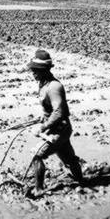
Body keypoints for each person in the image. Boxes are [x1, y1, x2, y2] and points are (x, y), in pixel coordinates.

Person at [27, 49, 84, 198]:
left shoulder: (54, 87)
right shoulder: (43, 84)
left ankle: (38, 189)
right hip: (58, 128)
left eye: (36, 70)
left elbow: (60, 112)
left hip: (59, 130)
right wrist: (42, 118)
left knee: (37, 156)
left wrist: (43, 127)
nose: (33, 73)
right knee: (69, 158)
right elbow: (50, 109)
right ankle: (81, 181)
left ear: (45, 70)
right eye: (32, 69)